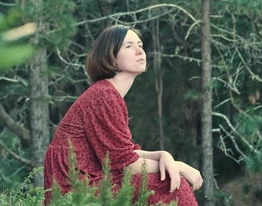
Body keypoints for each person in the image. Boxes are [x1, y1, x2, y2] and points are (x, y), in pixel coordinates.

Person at [43, 24, 203, 205]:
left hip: (92, 181)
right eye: (129, 46)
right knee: (171, 184)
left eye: (140, 45)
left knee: (169, 179)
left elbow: (125, 153)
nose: (139, 51)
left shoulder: (108, 93)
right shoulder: (104, 95)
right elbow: (127, 165)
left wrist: (162, 155)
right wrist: (178, 167)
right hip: (77, 188)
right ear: (111, 57)